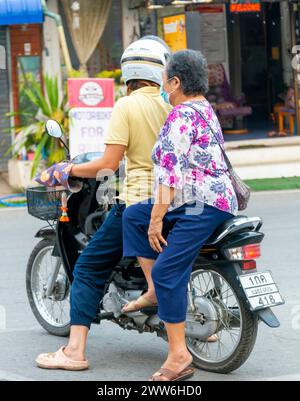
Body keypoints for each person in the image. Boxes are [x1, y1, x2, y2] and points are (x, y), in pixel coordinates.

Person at [35, 36, 172, 371]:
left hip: (139, 200)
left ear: (129, 71)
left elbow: (108, 163)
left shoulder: (127, 105)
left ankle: (74, 352)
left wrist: (67, 169)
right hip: (175, 199)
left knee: (89, 266)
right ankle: (199, 333)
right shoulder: (172, 104)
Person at [122, 49, 238, 381]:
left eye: (165, 80)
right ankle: (154, 291)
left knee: (169, 270)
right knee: (133, 216)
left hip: (201, 204)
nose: (162, 87)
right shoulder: (205, 109)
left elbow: (168, 177)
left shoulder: (180, 115)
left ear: (175, 82)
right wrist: (151, 216)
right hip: (206, 200)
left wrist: (157, 219)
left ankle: (178, 356)